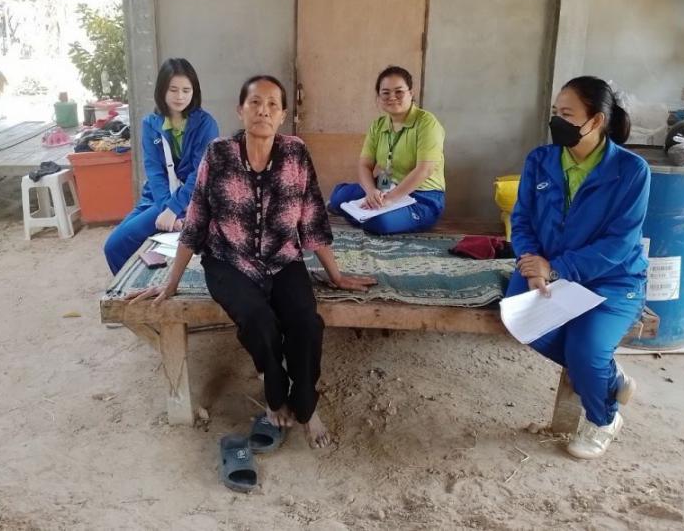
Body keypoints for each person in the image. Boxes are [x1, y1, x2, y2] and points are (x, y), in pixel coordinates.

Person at [131, 75, 375, 447]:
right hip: (228, 260)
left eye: (272, 104)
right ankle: (274, 393)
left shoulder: (295, 154)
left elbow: (311, 219)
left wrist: (336, 275)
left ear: (283, 115)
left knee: (306, 323)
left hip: (282, 258)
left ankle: (306, 406)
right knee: (258, 319)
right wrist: (172, 281)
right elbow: (196, 221)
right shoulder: (219, 154)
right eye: (255, 103)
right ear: (240, 110)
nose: (263, 110)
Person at [507, 76, 650, 460]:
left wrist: (555, 268)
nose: (557, 121)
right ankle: (608, 376)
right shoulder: (540, 160)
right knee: (522, 321)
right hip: (548, 271)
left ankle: (604, 418)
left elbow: (619, 244)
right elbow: (522, 221)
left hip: (612, 280)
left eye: (567, 114)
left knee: (584, 349)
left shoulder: (631, 171)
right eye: (556, 112)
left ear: (596, 120)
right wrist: (532, 265)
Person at [103, 58, 218, 274]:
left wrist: (174, 209)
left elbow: (200, 174)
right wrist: (167, 210)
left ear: (194, 91)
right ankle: (133, 291)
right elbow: (154, 172)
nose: (180, 96)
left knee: (122, 243)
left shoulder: (206, 124)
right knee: (114, 247)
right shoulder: (150, 124)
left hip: (193, 197)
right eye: (173, 89)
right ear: (162, 90)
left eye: (186, 90)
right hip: (157, 197)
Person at [328, 66, 446, 234]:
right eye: (385, 93)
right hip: (385, 186)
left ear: (411, 93)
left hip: (422, 195)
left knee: (379, 222)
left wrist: (390, 199)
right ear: (378, 97)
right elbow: (365, 164)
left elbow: (425, 169)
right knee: (338, 198)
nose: (392, 97)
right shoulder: (378, 125)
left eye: (399, 92)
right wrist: (371, 192)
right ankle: (360, 211)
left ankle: (363, 215)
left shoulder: (427, 123)